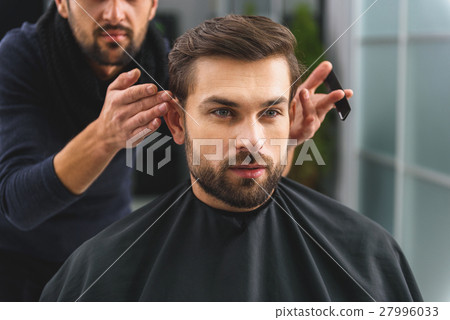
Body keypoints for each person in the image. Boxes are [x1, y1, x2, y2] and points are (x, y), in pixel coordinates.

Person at [40, 15, 422, 302]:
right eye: (223, 112)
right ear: (176, 121)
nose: (252, 141)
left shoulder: (368, 255)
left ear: (289, 117)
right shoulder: (98, 272)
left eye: (270, 113)